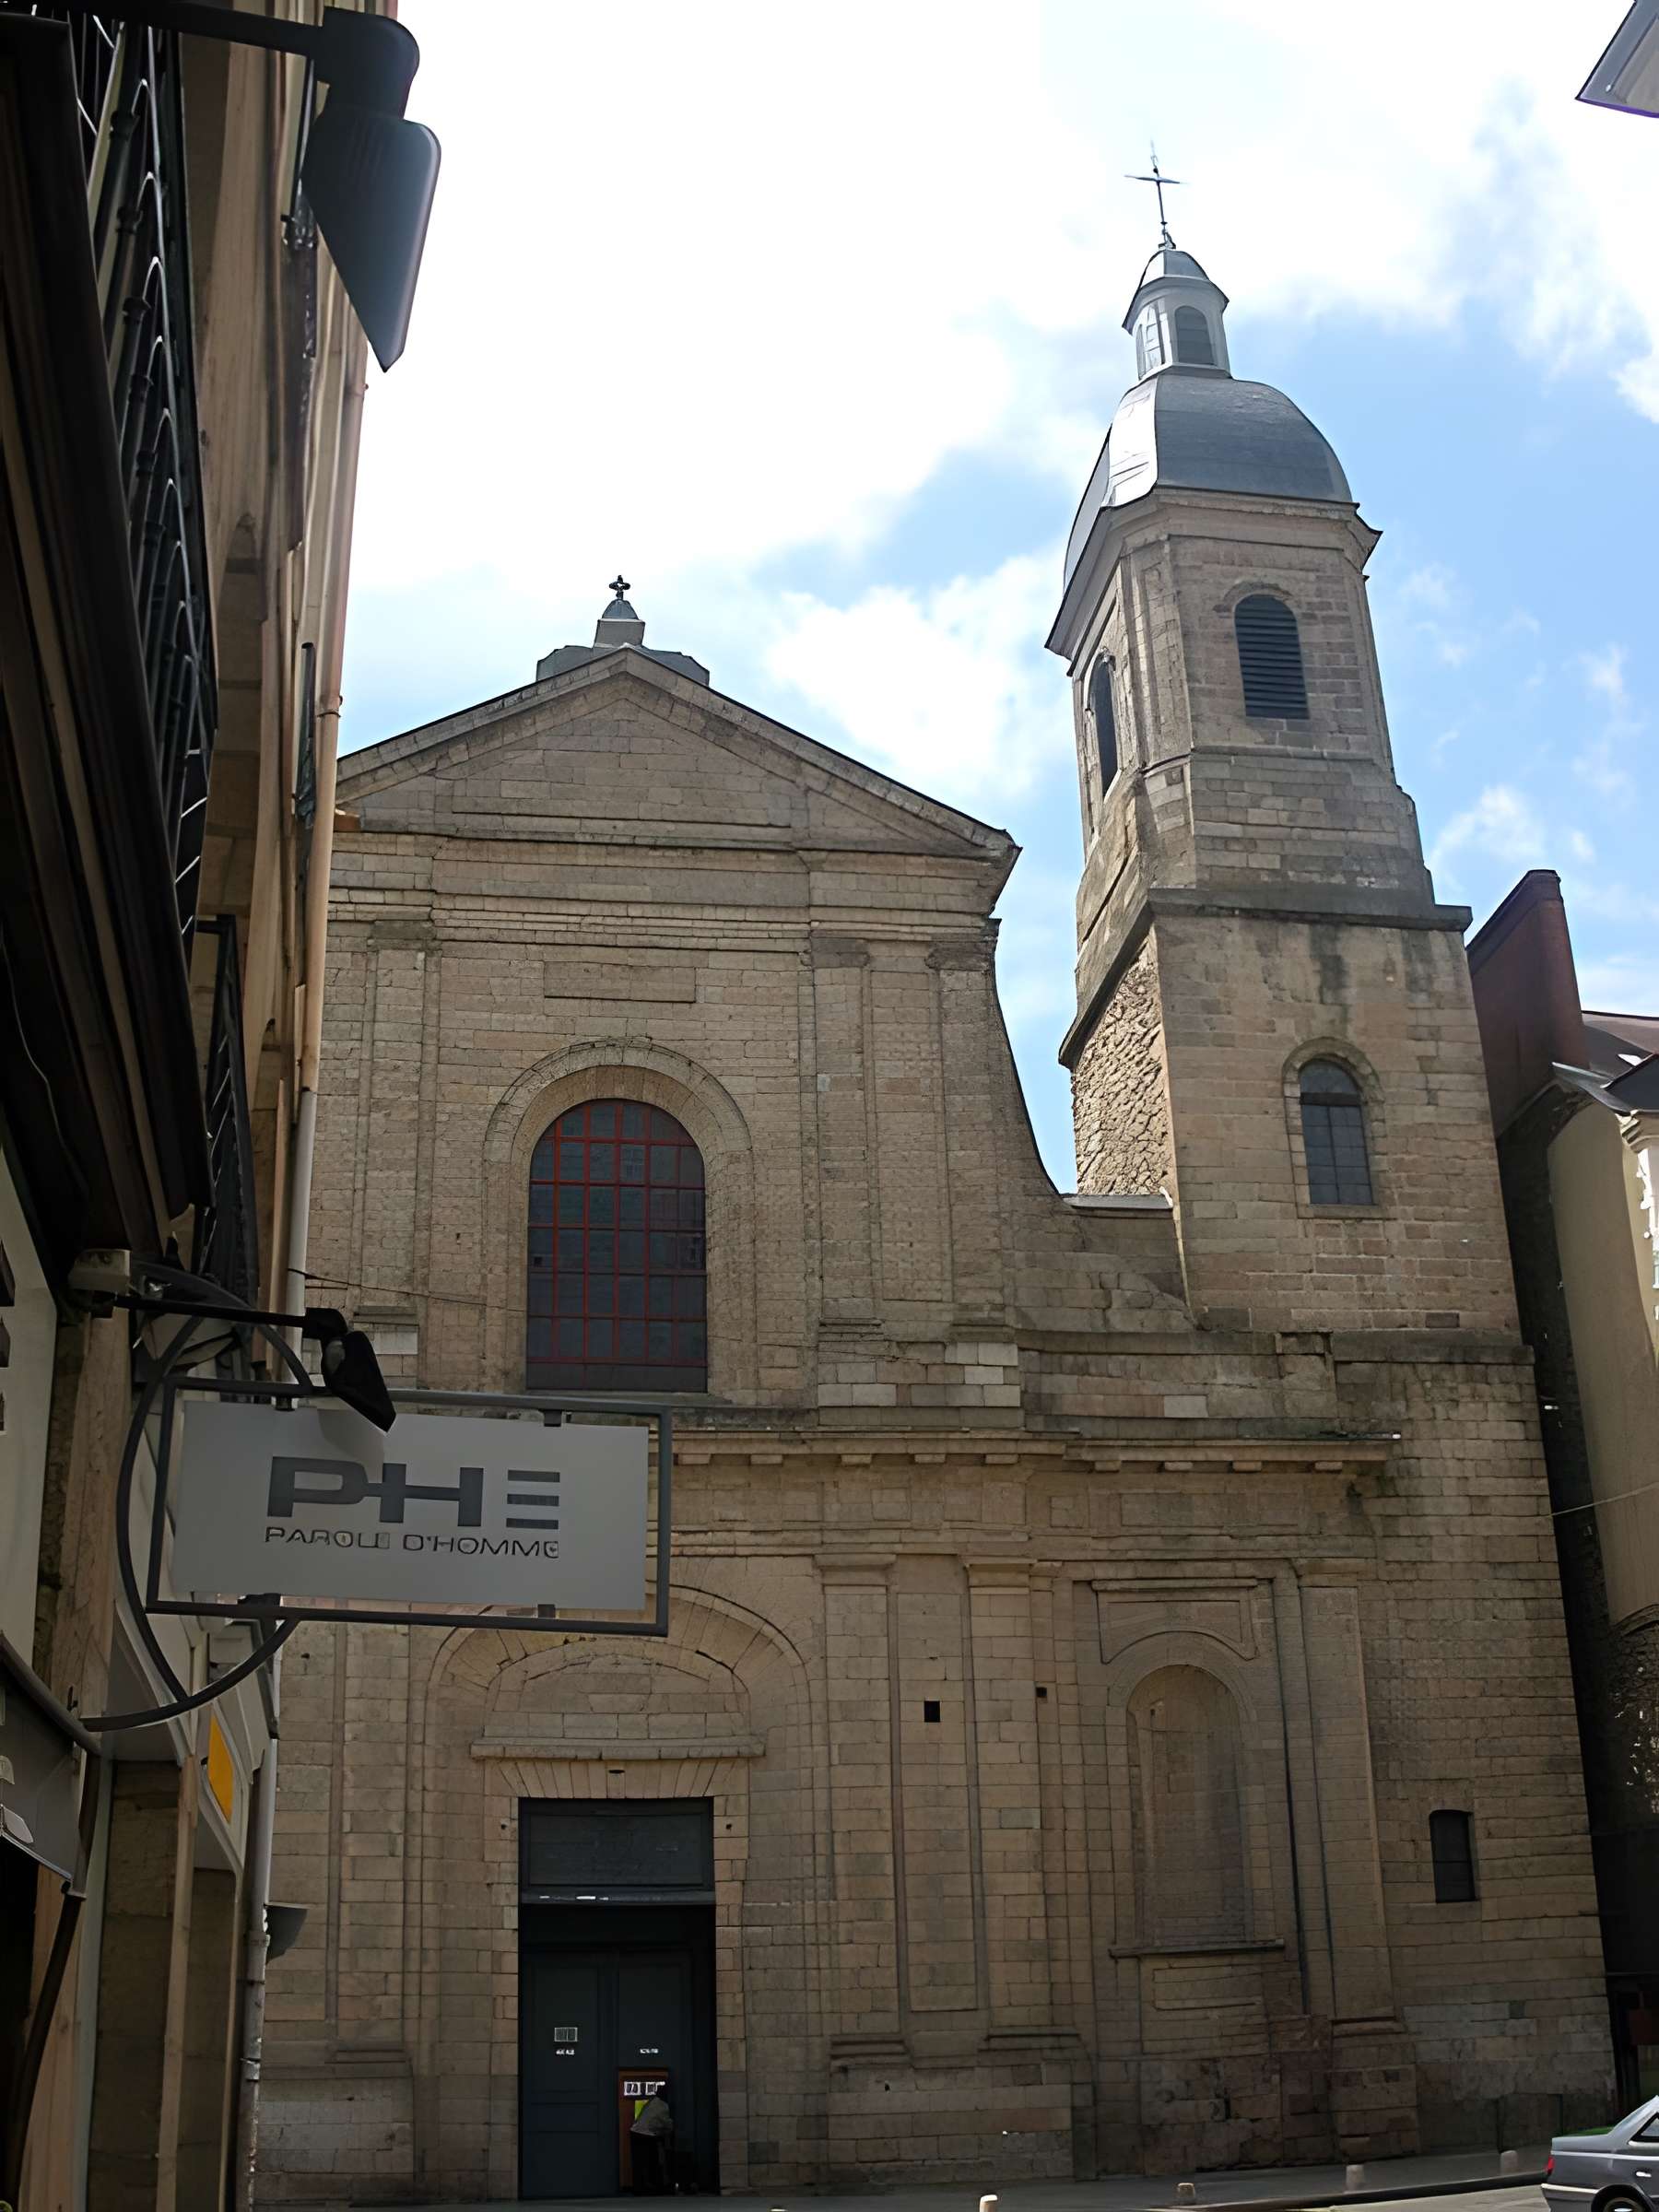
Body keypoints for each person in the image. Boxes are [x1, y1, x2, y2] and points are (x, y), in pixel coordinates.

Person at [629, 2087, 674, 2194]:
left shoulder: (651, 2101)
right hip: (646, 2135)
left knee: (639, 2163)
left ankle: (639, 2188)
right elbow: (668, 2124)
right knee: (651, 2162)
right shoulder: (664, 2106)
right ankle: (651, 2187)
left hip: (634, 2132)